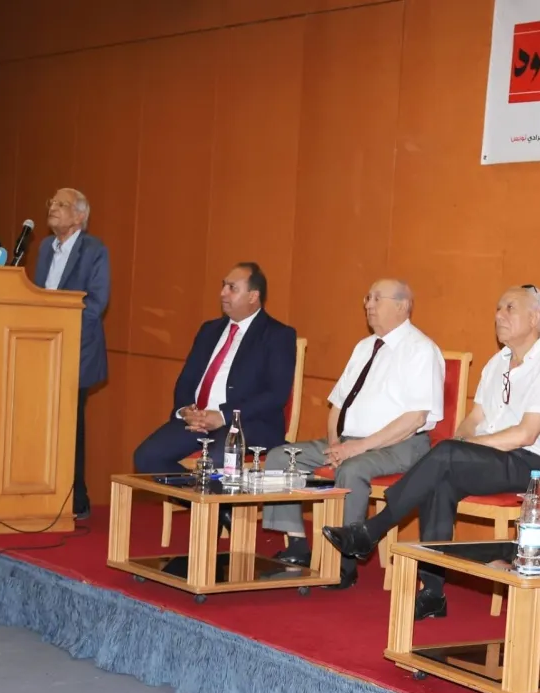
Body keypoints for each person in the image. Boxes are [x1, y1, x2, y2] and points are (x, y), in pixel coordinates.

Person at [323, 285, 540, 620]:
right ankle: (433, 593)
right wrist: (463, 442)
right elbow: (474, 419)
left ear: (535, 317)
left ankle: (373, 530)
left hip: (525, 465)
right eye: (498, 308)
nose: (499, 315)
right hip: (485, 457)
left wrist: (464, 447)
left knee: (445, 456)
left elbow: (524, 434)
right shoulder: (496, 363)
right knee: (439, 478)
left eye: (510, 308)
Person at [266, 279, 444, 590]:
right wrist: (335, 443)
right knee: (280, 457)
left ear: (402, 306)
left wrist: (356, 448)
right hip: (349, 442)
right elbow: (337, 404)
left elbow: (415, 418)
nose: (368, 305)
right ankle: (297, 545)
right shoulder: (364, 347)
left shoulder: (420, 350)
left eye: (377, 298)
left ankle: (343, 564)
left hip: (402, 444)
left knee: (352, 468)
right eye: (367, 298)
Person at [134, 263, 296, 475]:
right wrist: (185, 411)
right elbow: (186, 380)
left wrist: (223, 416)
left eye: (232, 288)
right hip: (198, 421)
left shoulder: (277, 335)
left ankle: (208, 493)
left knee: (216, 461)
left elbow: (276, 394)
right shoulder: (209, 330)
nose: (222, 293)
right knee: (146, 457)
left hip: (246, 424)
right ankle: (196, 492)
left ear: (253, 296)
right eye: (223, 286)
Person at [35, 188, 110, 520]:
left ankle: (76, 498)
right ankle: (39, 489)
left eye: (61, 204)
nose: (53, 207)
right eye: (51, 202)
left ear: (80, 216)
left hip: (77, 348)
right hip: (42, 347)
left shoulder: (94, 250)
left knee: (69, 423)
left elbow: (96, 303)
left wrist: (58, 322)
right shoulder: (43, 247)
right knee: (41, 421)